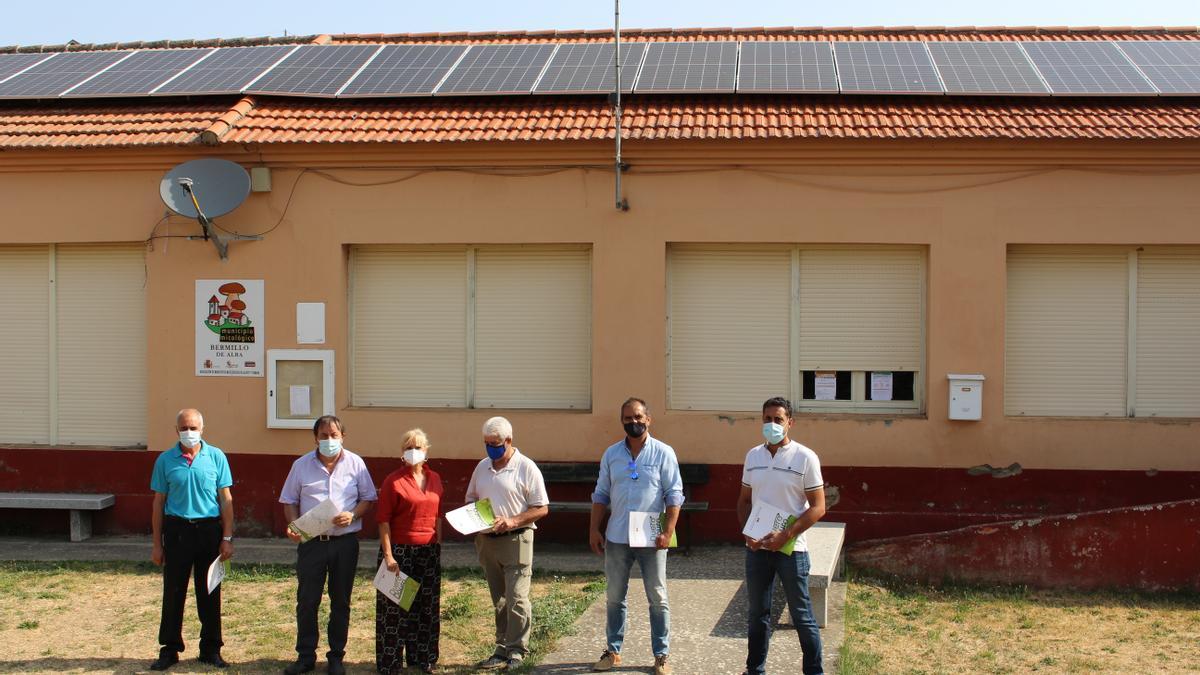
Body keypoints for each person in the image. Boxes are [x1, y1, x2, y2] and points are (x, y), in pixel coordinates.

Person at [589, 397, 683, 675]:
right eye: (628, 418)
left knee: (657, 597)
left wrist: (668, 531)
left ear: (649, 419)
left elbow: (674, 494)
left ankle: (661, 655)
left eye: (639, 417)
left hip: (652, 538)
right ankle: (613, 651)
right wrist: (594, 528)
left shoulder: (664, 453)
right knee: (615, 596)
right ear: (622, 421)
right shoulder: (611, 454)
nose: (634, 422)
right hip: (617, 536)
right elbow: (601, 494)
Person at [279, 415, 377, 675]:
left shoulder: (356, 464)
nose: (329, 440)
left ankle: (336, 656)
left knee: (340, 601)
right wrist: (293, 525)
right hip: (312, 543)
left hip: (344, 543)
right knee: (307, 600)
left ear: (342, 436)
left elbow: (368, 497)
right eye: (324, 435)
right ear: (315, 438)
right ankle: (305, 656)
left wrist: (353, 514)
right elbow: (288, 499)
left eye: (334, 435)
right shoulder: (301, 465)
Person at [736, 397, 826, 675]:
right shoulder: (753, 456)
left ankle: (814, 671)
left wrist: (786, 535)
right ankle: (754, 670)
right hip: (758, 550)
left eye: (778, 419)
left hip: (792, 550)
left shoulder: (805, 457)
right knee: (757, 616)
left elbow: (819, 507)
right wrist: (747, 533)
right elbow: (743, 501)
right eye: (767, 419)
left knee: (802, 616)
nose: (771, 424)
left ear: (790, 422)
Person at [148, 408, 234, 671]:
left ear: (202, 430)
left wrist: (227, 537)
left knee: (209, 590)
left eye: (193, 428)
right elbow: (158, 503)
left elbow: (226, 500)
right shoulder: (165, 461)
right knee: (173, 592)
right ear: (176, 431)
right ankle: (169, 649)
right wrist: (156, 544)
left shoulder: (216, 457)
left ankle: (211, 649)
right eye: (184, 428)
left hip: (209, 531)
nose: (189, 432)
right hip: (177, 531)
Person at [466, 416, 549, 671]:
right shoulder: (482, 467)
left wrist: (513, 520)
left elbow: (542, 508)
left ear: (509, 441)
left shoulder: (526, 467)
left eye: (496, 443)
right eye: (487, 443)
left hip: (517, 539)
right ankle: (501, 648)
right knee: (499, 598)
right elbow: (471, 498)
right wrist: (474, 517)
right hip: (487, 540)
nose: (491, 448)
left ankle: (517, 651)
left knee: (517, 597)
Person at [376, 428, 444, 674]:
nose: (413, 451)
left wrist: (438, 542)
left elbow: (437, 513)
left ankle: (423, 658)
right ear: (402, 453)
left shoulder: (434, 478)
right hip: (400, 551)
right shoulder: (393, 481)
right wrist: (389, 556)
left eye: (418, 447)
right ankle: (390, 663)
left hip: (428, 551)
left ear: (427, 451)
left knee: (426, 607)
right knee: (395, 610)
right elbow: (383, 521)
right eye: (408, 447)